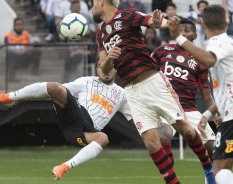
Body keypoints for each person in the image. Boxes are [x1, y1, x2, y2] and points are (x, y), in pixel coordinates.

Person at [92, 0, 215, 183]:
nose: (91, 8)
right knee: (151, 143)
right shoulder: (101, 33)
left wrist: (161, 22)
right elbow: (105, 69)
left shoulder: (127, 15)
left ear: (102, 2)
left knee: (186, 130)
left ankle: (208, 170)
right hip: (132, 91)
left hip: (153, 82)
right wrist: (109, 59)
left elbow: (154, 22)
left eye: (93, 3)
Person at [0, 59, 132, 180]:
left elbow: (139, 117)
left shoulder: (122, 94)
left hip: (81, 132)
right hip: (76, 113)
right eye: (101, 66)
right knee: (55, 87)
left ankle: (64, 167)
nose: (105, 70)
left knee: (103, 138)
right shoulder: (86, 81)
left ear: (116, 68)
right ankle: (9, 97)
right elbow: (53, 91)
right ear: (97, 69)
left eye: (110, 67)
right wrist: (22, 99)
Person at [168, 4, 233, 184]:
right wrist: (207, 114)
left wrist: (179, 39)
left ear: (203, 26)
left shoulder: (216, 42)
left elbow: (208, 60)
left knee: (219, 171)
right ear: (227, 23)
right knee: (221, 167)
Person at [151, 18, 218, 179]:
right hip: (166, 106)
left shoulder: (200, 61)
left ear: (194, 36)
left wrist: (215, 115)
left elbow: (206, 96)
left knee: (213, 148)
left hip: (189, 109)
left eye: (187, 30)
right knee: (163, 136)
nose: (182, 33)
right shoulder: (162, 50)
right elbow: (148, 73)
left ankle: (210, 177)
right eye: (180, 30)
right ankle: (171, 177)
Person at [4, 17, 42, 82]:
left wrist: (30, 46)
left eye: (21, 24)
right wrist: (22, 50)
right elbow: (8, 48)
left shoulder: (26, 33)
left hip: (26, 57)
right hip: (15, 58)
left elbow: (37, 40)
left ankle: (35, 70)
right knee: (9, 53)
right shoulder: (8, 36)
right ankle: (12, 77)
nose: (19, 27)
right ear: (14, 26)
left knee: (37, 47)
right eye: (17, 25)